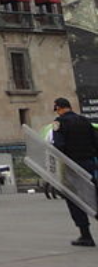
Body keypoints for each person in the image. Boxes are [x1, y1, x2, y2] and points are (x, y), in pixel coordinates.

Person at [51, 97, 98, 247]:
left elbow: (59, 146)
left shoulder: (59, 122)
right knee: (94, 195)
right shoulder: (84, 120)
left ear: (59, 108)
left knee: (75, 199)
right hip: (89, 163)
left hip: (72, 165)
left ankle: (86, 235)